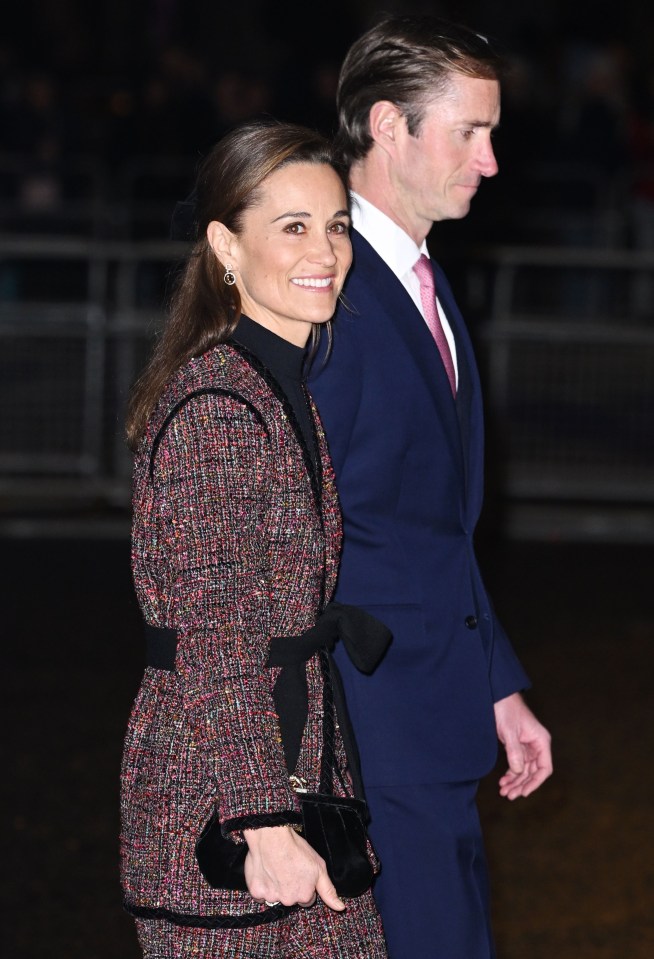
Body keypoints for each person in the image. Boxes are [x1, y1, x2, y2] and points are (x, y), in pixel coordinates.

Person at [308, 15, 554, 959]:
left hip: (432, 719)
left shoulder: (421, 279)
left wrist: (495, 681)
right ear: (388, 126)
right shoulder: (329, 288)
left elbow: (433, 525)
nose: (491, 163)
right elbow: (294, 533)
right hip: (369, 736)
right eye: (470, 133)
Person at [120, 119, 389, 959]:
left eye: (337, 225)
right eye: (294, 226)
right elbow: (214, 637)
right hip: (221, 809)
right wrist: (262, 819)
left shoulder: (275, 387)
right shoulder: (218, 409)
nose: (327, 250)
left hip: (295, 775)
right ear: (224, 245)